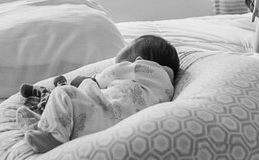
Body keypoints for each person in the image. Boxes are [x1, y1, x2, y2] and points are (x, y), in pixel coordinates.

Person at [17, 34, 179, 153]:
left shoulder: (140, 68)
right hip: (112, 132)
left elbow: (104, 77)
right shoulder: (166, 89)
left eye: (128, 45)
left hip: (100, 113)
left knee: (62, 93)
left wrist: (86, 80)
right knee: (71, 108)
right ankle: (41, 125)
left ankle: (53, 137)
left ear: (138, 58)